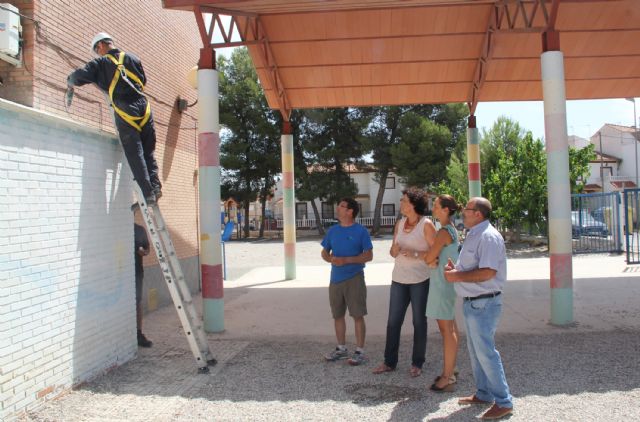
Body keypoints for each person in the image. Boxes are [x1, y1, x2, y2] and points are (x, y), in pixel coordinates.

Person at [67, 33, 161, 205]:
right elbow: (143, 80)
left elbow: (79, 76)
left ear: (102, 45)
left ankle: (148, 193)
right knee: (148, 151)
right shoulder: (133, 58)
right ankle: (155, 186)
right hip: (144, 108)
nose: (97, 53)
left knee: (135, 153)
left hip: (126, 109)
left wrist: (70, 81)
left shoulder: (101, 63)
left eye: (97, 49)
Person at [444, 197, 513, 420]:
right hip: (474, 302)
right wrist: (458, 270)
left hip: (484, 302)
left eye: (468, 209)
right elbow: (474, 267)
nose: (463, 211)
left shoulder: (489, 237)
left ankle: (504, 401)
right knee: (476, 352)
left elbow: (487, 272)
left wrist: (456, 276)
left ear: (479, 214)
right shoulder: (475, 233)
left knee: (486, 352)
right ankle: (484, 393)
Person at [372, 187, 436, 377]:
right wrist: (394, 249)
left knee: (418, 321)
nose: (401, 203)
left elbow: (435, 254)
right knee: (393, 322)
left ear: (413, 204)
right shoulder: (399, 223)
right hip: (398, 279)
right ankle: (389, 362)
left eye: (403, 201)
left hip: (420, 280)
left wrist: (416, 253)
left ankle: (417, 363)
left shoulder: (427, 224)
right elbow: (393, 252)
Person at [321, 197, 373, 366]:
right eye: (339, 205)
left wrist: (348, 260)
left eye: (342, 206)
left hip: (355, 278)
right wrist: (330, 259)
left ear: (350, 211)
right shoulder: (333, 231)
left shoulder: (361, 231)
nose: (338, 208)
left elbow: (369, 255)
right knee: (337, 315)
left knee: (357, 315)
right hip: (335, 279)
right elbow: (324, 252)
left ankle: (360, 351)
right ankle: (341, 349)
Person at [423, 194, 461, 392]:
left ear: (446, 209)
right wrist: (430, 259)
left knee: (447, 330)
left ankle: (447, 377)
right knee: (451, 328)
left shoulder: (443, 232)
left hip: (441, 285)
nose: (433, 209)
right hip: (446, 284)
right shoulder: (451, 230)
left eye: (436, 206)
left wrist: (427, 257)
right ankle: (451, 370)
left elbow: (430, 256)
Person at [133, 206, 152, 347]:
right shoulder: (118, 230)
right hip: (119, 275)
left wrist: (143, 253)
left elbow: (147, 249)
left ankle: (138, 333)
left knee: (137, 303)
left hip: (137, 273)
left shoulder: (139, 230)